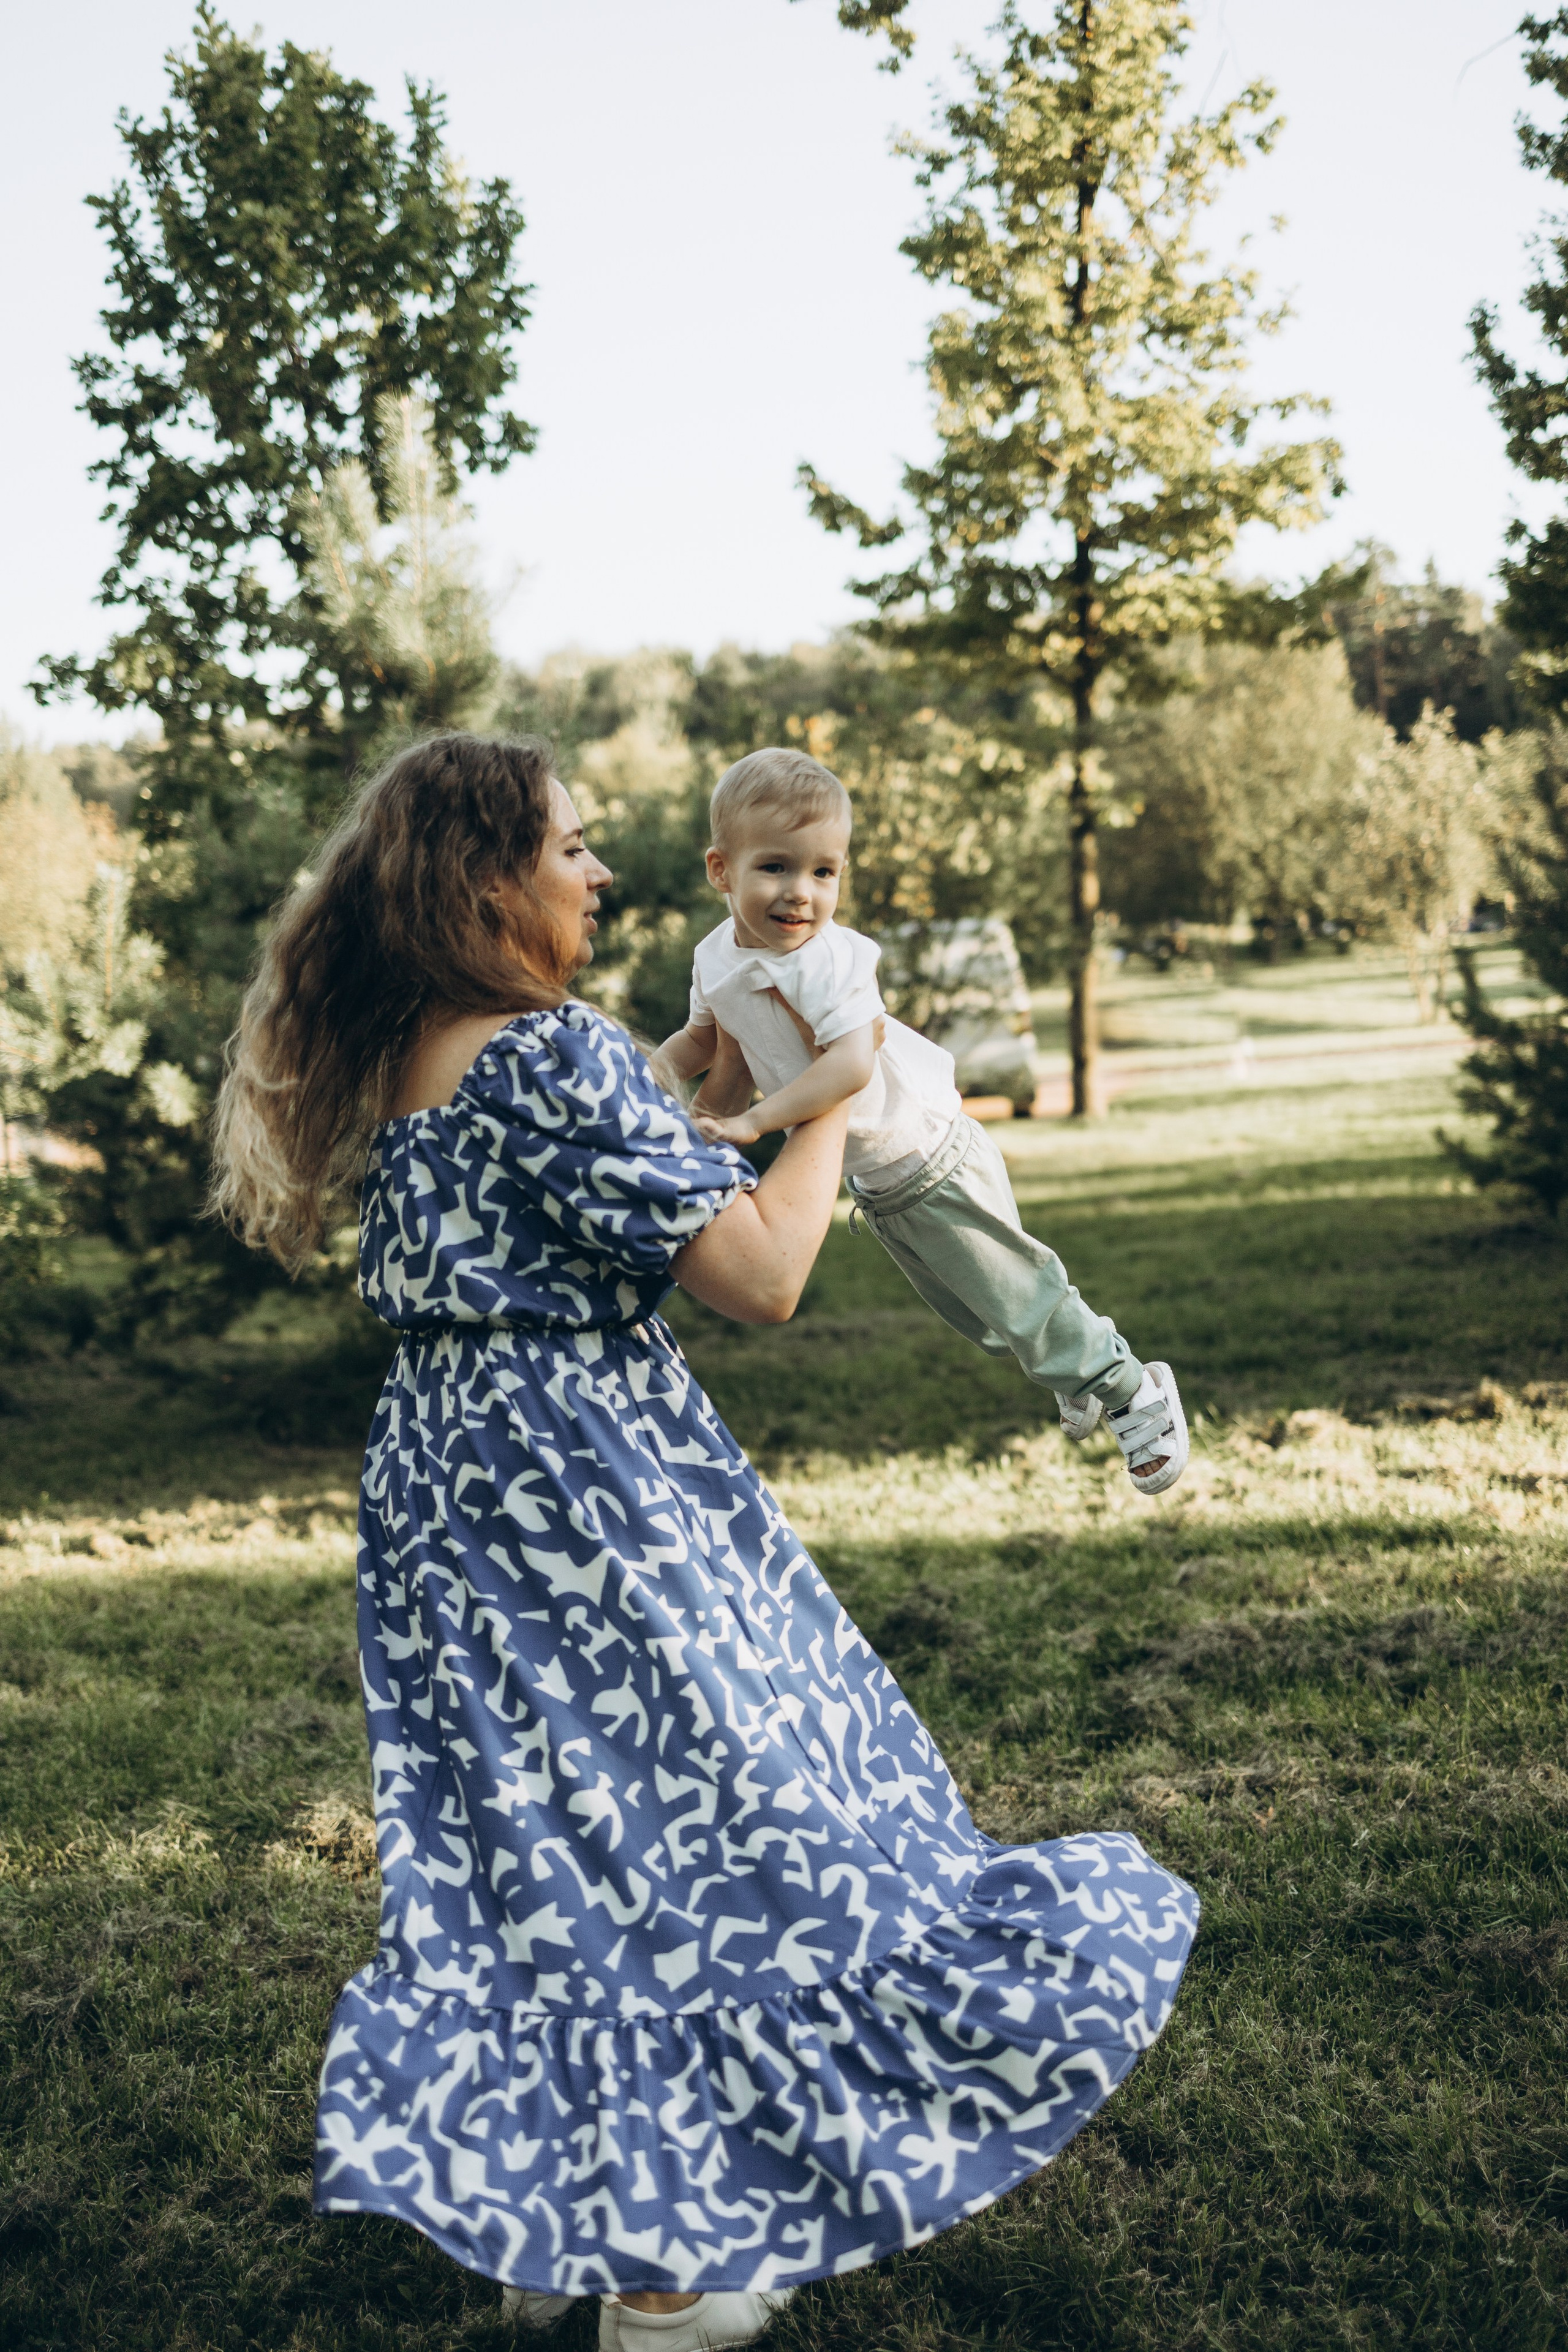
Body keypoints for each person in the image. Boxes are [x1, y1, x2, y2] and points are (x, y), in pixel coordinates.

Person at [212, 734, 1199, 2352]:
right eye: (574, 847)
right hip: (591, 1493)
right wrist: (842, 1093)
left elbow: (621, 1152)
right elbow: (760, 1275)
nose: (601, 873)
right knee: (718, 1827)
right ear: (490, 884)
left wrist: (713, 1086)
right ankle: (665, 2286)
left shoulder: (417, 1049)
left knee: (536, 1853)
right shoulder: (550, 1051)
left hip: (447, 1488)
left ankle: (583, 2223)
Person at [660, 748, 1188, 1494]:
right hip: (881, 1183)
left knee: (1021, 1296)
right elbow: (706, 1041)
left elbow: (850, 1066)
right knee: (980, 1317)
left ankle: (1130, 1387)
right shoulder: (715, 956)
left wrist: (756, 1123)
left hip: (929, 1151)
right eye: (775, 867)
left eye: (824, 872)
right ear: (722, 870)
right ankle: (1067, 1373)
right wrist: (651, 1075)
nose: (801, 894)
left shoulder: (828, 962)